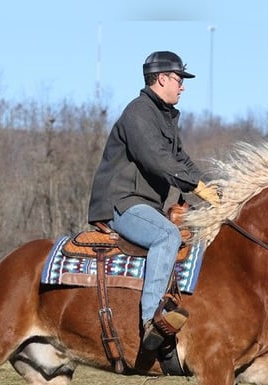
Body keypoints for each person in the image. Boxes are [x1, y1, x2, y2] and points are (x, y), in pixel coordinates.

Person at [88, 50, 219, 351]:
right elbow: (158, 161)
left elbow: (180, 160)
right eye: (179, 79)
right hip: (120, 203)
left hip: (143, 204)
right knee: (166, 235)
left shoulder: (164, 116)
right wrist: (197, 187)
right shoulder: (138, 113)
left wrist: (213, 190)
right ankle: (151, 321)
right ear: (162, 79)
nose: (182, 86)